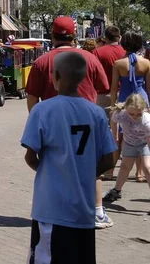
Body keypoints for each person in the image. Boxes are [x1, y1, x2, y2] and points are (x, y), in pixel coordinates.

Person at [21, 52, 117, 263]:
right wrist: (82, 174)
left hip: (51, 209)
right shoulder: (97, 113)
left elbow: (30, 156)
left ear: (55, 76)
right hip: (83, 210)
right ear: (83, 78)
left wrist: (52, 172)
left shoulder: (42, 110)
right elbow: (110, 159)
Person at [25, 16, 113, 230]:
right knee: (91, 166)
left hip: (53, 126)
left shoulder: (42, 61)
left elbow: (32, 96)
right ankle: (98, 211)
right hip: (88, 123)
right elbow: (104, 89)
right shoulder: (88, 59)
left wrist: (37, 122)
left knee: (55, 168)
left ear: (53, 35)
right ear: (74, 36)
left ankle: (59, 209)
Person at [110, 31, 150, 182]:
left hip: (124, 98)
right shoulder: (146, 63)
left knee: (121, 134)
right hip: (141, 98)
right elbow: (149, 87)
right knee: (143, 135)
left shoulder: (118, 63)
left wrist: (113, 105)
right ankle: (139, 173)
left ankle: (114, 169)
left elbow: (114, 87)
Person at [93, 26, 126, 180]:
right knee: (126, 132)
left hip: (104, 94)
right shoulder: (125, 51)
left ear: (105, 38)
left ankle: (107, 167)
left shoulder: (99, 52)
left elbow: (94, 73)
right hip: (125, 94)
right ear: (118, 37)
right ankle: (128, 165)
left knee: (105, 131)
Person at [103, 93, 150, 202]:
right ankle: (116, 191)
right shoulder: (120, 114)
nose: (134, 117)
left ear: (144, 110)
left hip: (144, 143)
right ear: (126, 108)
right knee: (125, 167)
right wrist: (114, 136)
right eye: (131, 114)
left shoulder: (147, 121)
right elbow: (113, 121)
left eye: (138, 114)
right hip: (129, 143)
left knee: (147, 168)